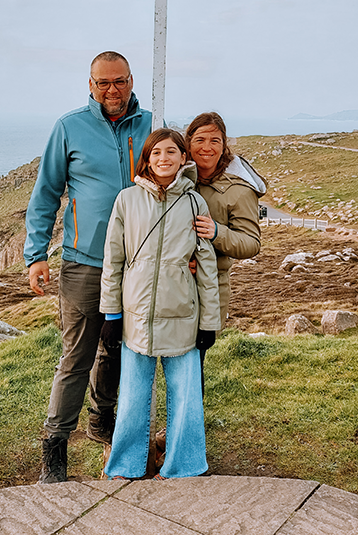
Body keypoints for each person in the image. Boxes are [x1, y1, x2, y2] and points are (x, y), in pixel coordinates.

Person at [24, 51, 153, 484]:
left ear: (132, 81)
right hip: (84, 263)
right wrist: (36, 254)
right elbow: (46, 193)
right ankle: (55, 449)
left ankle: (103, 419)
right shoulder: (69, 127)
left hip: (138, 263)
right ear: (90, 85)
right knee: (77, 355)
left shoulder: (151, 124)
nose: (112, 90)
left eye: (119, 82)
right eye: (103, 83)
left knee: (120, 347)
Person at [99, 129, 220, 480]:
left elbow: (206, 266)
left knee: (185, 398)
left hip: (183, 314)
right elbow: (113, 260)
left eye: (172, 152)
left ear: (184, 158)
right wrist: (111, 314)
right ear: (147, 159)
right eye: (157, 153)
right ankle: (126, 466)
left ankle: (185, 466)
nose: (164, 158)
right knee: (134, 397)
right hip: (135, 317)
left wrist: (209, 322)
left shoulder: (195, 202)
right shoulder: (126, 200)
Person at [185, 112, 267, 334]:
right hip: (171, 282)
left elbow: (251, 243)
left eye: (215, 141)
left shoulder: (239, 190)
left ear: (223, 146)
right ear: (188, 143)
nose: (207, 147)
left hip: (211, 287)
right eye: (200, 140)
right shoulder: (175, 179)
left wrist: (216, 233)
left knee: (199, 357)